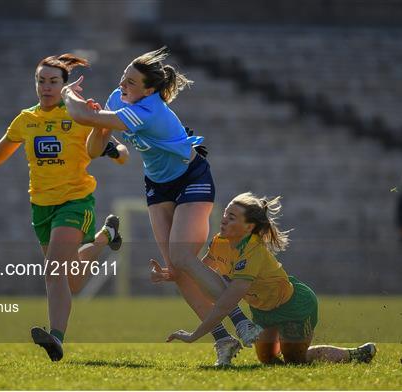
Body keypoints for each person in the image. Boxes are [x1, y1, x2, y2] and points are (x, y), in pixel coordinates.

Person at [61, 47, 263, 366]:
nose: (122, 85)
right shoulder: (119, 99)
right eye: (123, 79)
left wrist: (68, 95)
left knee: (182, 258)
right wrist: (101, 126)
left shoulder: (148, 111)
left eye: (131, 81)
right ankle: (223, 341)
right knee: (178, 270)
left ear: (149, 90)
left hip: (192, 177)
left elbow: (79, 115)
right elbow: (94, 149)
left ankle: (242, 322)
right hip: (157, 186)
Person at [0, 54, 129, 362]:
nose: (46, 86)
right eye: (41, 80)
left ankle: (56, 338)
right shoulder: (26, 119)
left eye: (53, 81)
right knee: (72, 280)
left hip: (75, 201)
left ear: (65, 86)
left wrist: (115, 151)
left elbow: (115, 143)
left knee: (53, 270)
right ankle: (107, 236)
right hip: (41, 208)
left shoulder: (78, 115)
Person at [166, 192, 377, 365]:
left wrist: (194, 335)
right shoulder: (219, 242)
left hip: (294, 306)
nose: (223, 219)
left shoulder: (252, 253)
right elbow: (201, 273)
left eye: (232, 217)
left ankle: (355, 354)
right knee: (267, 360)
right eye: (225, 213)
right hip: (262, 310)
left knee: (296, 360)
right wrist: (173, 274)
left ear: (249, 227)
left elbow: (224, 305)